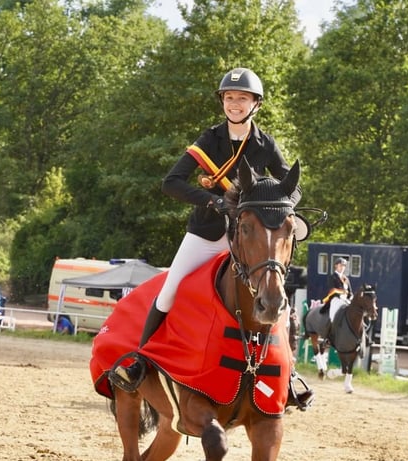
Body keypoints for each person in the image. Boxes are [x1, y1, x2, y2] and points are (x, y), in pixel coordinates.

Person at [111, 67, 302, 387]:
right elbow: (170, 183)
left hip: (247, 237)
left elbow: (292, 187)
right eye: (229, 97)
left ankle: (289, 371)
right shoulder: (209, 140)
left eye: (242, 98)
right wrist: (212, 202)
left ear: (256, 104)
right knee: (170, 290)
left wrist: (283, 207)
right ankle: (140, 362)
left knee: (273, 291)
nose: (235, 104)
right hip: (206, 233)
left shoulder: (265, 144)